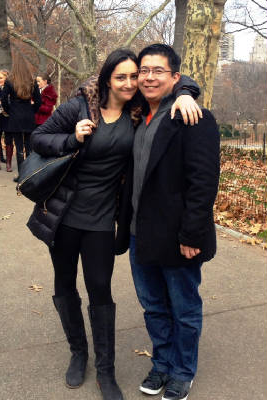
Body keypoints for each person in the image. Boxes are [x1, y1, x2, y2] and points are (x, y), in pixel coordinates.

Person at [26, 48, 201, 400]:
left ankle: (106, 370)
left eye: (134, 76)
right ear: (107, 78)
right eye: (121, 77)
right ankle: (79, 353)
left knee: (100, 290)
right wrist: (71, 138)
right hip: (64, 215)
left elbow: (179, 79)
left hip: (103, 219)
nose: (130, 82)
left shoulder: (138, 111)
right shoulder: (78, 107)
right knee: (64, 284)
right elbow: (38, 139)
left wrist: (185, 94)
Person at [116, 44, 220, 400]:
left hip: (179, 237)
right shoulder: (136, 115)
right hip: (138, 235)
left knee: (184, 308)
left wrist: (192, 233)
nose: (148, 77)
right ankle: (162, 364)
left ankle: (182, 371)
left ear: (176, 77)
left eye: (158, 71)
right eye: (143, 70)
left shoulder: (193, 118)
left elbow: (203, 184)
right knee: (154, 307)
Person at [0, 54, 41, 181]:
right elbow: (39, 101)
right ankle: (29, 174)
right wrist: (31, 110)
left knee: (19, 147)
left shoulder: (10, 81)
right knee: (29, 147)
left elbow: (3, 100)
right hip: (28, 116)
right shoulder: (32, 81)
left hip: (15, 116)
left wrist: (9, 111)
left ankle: (21, 175)